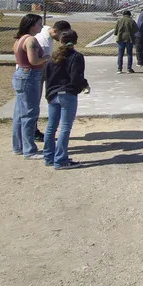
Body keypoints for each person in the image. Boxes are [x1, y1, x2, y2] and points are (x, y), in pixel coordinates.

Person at [42, 29, 89, 170]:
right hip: (67, 94)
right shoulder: (76, 56)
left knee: (51, 127)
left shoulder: (52, 57)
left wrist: (49, 94)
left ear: (60, 41)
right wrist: (83, 85)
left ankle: (49, 156)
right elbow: (76, 77)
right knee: (65, 128)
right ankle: (61, 159)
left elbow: (46, 77)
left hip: (53, 94)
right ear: (75, 41)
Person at [11, 14, 48, 159]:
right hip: (30, 76)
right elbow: (34, 61)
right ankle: (29, 150)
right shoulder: (30, 40)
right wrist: (47, 58)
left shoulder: (20, 39)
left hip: (21, 75)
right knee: (29, 114)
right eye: (39, 24)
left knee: (19, 114)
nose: (41, 26)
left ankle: (18, 146)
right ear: (31, 25)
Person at [32, 20, 72, 141]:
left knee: (34, 103)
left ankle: (32, 130)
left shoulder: (47, 30)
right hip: (36, 73)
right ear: (55, 31)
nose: (62, 38)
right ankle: (32, 131)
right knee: (34, 103)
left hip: (40, 72)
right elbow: (40, 61)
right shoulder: (44, 42)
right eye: (61, 35)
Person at [114, 9, 139, 74]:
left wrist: (118, 33)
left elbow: (115, 31)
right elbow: (136, 30)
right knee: (129, 54)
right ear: (129, 14)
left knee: (120, 54)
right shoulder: (131, 21)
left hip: (120, 38)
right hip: (129, 38)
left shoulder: (119, 20)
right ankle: (129, 68)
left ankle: (119, 69)